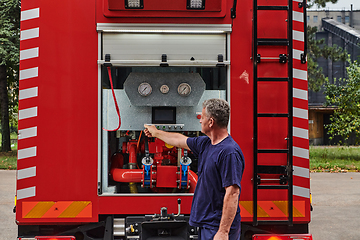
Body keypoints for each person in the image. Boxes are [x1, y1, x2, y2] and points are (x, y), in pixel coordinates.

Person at [144, 98, 245, 240]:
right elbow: (179, 140)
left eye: (202, 117)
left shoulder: (229, 153)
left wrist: (223, 231)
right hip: (207, 224)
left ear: (211, 122)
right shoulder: (206, 143)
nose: (200, 121)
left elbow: (233, 193)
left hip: (217, 227)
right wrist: (156, 133)